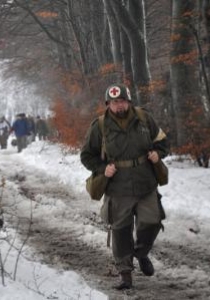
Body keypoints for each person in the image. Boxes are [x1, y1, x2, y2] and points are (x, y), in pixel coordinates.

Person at [80, 84, 169, 290]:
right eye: (113, 102)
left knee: (152, 222)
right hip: (117, 188)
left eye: (121, 101)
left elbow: (162, 142)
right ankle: (125, 274)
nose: (118, 106)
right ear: (108, 104)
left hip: (145, 182)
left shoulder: (145, 119)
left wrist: (158, 153)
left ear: (128, 101)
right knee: (120, 231)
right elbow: (86, 156)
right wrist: (103, 169)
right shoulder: (99, 126)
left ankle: (141, 252)